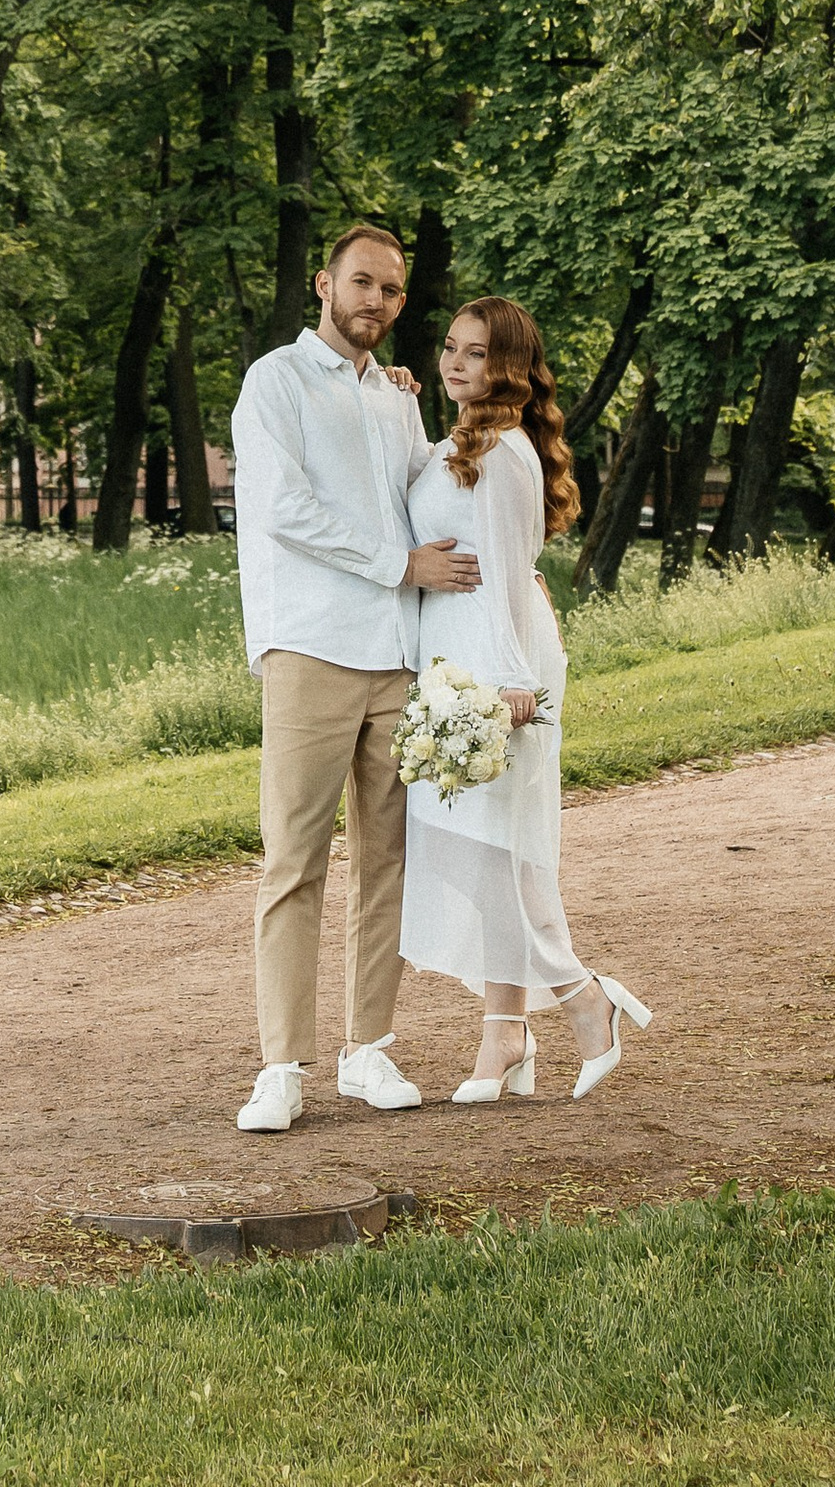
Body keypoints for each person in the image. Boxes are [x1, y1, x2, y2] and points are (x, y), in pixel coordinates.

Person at [229, 224, 482, 1134]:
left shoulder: (394, 398)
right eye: (362, 284)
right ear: (323, 285)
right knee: (293, 861)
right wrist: (398, 565)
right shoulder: (275, 382)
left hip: (398, 657)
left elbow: (426, 494)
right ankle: (280, 1067)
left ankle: (367, 1048)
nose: (376, 301)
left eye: (391, 290)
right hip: (310, 649)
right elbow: (283, 509)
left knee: (389, 861)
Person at [400, 295, 651, 1102]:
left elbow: (508, 573)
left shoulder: (504, 451)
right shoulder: (459, 442)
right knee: (481, 847)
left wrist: (514, 683)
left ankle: (584, 999)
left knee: (502, 849)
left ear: (507, 367)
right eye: (449, 347)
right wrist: (394, 396)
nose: (455, 362)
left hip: (495, 660)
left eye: (475, 353)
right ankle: (503, 1034)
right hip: (456, 655)